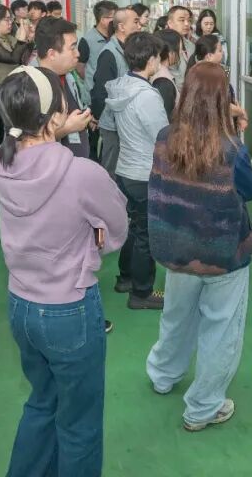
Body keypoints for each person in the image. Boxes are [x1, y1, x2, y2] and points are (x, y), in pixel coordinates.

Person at [0, 66, 128, 477]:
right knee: (80, 423)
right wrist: (95, 238)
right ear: (54, 117)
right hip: (69, 310)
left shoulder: (2, 161)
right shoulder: (80, 172)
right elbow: (116, 228)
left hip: (21, 306)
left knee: (42, 402)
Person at [146, 61, 252, 432]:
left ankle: (163, 374)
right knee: (220, 329)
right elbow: (249, 191)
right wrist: (238, 137)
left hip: (176, 247)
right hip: (222, 254)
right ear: (224, 100)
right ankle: (203, 408)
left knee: (176, 316)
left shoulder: (165, 137)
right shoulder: (232, 150)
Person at [105, 32, 169, 310]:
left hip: (125, 170)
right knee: (146, 235)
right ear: (151, 60)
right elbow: (162, 137)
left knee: (134, 227)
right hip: (144, 174)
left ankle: (126, 278)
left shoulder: (121, 87)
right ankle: (142, 293)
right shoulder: (147, 96)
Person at [33, 17, 94, 159]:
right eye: (72, 48)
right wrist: (68, 128)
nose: (78, 54)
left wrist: (83, 118)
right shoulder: (31, 87)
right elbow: (29, 140)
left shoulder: (67, 76)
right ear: (52, 54)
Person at [0, 4, 34, 165]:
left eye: (11, 19)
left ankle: (14, 168)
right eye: (6, 20)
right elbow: (12, 58)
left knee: (16, 133)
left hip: (15, 90)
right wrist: (21, 41)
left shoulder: (9, 38)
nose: (10, 23)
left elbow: (23, 59)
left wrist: (29, 40)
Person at [90, 6, 141, 174]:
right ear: (121, 26)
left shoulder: (127, 50)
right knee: (111, 170)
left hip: (126, 124)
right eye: (135, 22)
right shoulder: (110, 53)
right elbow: (100, 93)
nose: (139, 26)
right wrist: (103, 119)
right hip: (113, 126)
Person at [80, 1, 117, 159]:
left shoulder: (115, 38)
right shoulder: (87, 40)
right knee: (95, 144)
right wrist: (95, 82)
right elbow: (80, 66)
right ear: (103, 19)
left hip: (112, 98)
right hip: (94, 99)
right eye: (113, 18)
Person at [188, 35, 247, 130]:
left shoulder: (219, 70)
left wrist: (239, 115)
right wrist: (241, 112)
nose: (222, 52)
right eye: (219, 50)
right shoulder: (203, 77)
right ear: (209, 56)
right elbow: (219, 106)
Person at [152, 29, 182, 120]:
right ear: (171, 52)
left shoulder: (159, 72)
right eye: (180, 49)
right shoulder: (163, 81)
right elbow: (166, 117)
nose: (181, 52)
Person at [166, 6, 194, 89]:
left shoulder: (191, 45)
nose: (187, 24)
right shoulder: (163, 44)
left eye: (189, 20)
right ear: (170, 23)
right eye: (182, 20)